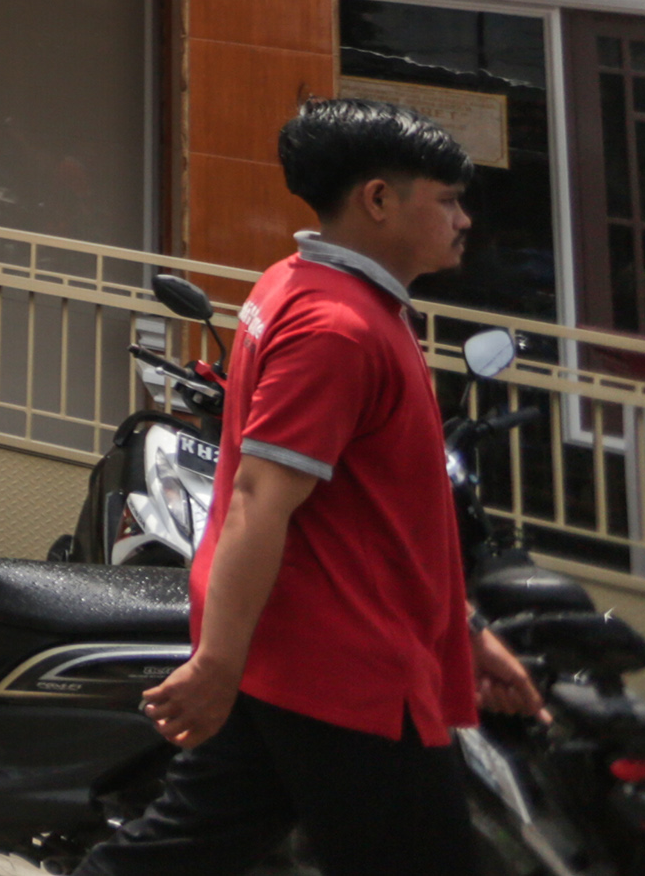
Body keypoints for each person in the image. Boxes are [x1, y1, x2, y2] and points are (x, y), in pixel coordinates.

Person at [77, 98, 540, 876]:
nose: (464, 219)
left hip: (301, 657)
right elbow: (262, 496)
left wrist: (460, 628)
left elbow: (380, 516)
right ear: (380, 200)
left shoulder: (304, 286)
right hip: (346, 673)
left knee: (171, 857)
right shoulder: (337, 326)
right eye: (449, 198)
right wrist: (216, 664)